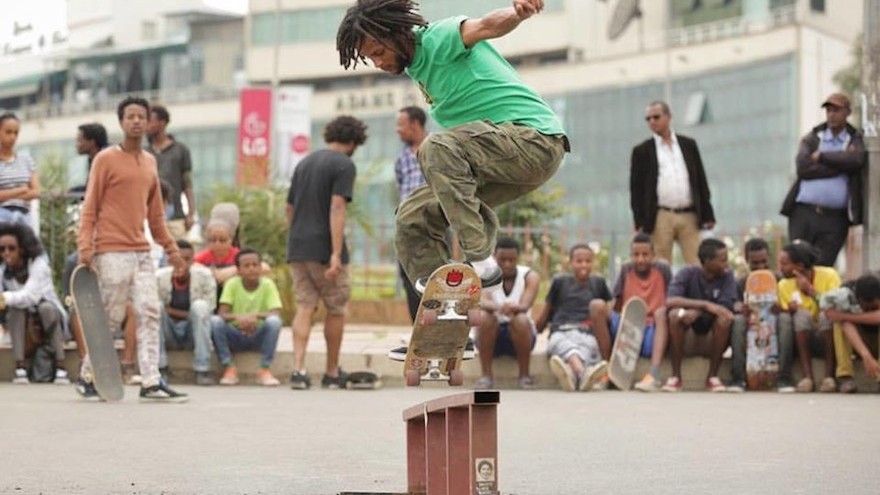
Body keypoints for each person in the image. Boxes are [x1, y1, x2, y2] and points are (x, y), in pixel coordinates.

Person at [337, 0, 569, 293]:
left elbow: (486, 25)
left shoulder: (438, 38)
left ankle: (482, 262)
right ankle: (445, 307)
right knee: (412, 216)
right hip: (501, 164)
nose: (378, 64)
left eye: (379, 53)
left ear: (398, 34)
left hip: (534, 140)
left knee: (434, 147)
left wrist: (517, 13)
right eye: (370, 59)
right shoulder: (416, 67)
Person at [76, 96, 187, 403]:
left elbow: (156, 216)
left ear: (149, 121)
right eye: (131, 117)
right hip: (110, 250)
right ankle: (88, 375)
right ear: (122, 122)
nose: (137, 121)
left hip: (141, 250)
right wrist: (85, 246)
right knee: (110, 318)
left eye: (142, 116)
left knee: (150, 311)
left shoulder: (150, 162)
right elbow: (90, 206)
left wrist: (172, 249)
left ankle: (151, 380)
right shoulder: (106, 160)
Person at [286, 116, 365, 390]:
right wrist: (335, 253)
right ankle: (332, 372)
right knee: (336, 308)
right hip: (324, 248)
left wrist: (295, 238)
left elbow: (289, 208)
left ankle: (298, 370)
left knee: (305, 305)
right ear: (354, 141)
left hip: (297, 246)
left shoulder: (304, 163)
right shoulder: (344, 164)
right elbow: (337, 207)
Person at [780, 93, 866, 267]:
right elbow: (803, 168)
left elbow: (855, 161)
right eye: (828, 110)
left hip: (835, 218)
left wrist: (822, 157)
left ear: (847, 112)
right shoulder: (813, 138)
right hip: (804, 213)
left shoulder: (854, 138)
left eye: (836, 110)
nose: (831, 115)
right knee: (796, 262)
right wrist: (840, 165)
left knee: (822, 266)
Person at [630, 101, 716, 264]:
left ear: (669, 116)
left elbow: (700, 179)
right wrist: (639, 221)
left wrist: (708, 213)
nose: (652, 122)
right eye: (648, 119)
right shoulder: (642, 151)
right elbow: (636, 189)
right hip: (661, 215)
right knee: (660, 264)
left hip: (689, 213)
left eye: (656, 117)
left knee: (697, 262)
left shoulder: (688, 145)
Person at [534, 244, 611, 392]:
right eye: (579, 261)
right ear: (571, 263)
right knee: (561, 344)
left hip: (586, 333)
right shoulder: (560, 282)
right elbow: (546, 312)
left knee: (589, 347)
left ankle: (570, 372)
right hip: (561, 331)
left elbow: (605, 314)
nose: (584, 265)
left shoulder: (598, 283)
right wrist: (536, 330)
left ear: (593, 263)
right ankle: (582, 373)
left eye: (588, 261)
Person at [663, 238, 735, 392]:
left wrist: (700, 310)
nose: (726, 264)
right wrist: (704, 305)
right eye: (722, 260)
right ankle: (675, 376)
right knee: (676, 315)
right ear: (707, 261)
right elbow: (670, 301)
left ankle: (712, 377)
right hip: (688, 332)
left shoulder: (727, 276)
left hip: (712, 332)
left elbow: (725, 307)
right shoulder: (687, 272)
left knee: (724, 319)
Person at [0, 223, 69, 384]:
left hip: (50, 320)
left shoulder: (39, 265)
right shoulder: (3, 269)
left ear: (22, 249)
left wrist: (3, 298)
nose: (6, 253)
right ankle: (20, 368)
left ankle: (61, 367)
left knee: (46, 309)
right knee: (16, 310)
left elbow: (31, 296)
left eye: (11, 248)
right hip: (23, 323)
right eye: (2, 249)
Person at [727, 238, 795, 393]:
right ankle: (738, 378)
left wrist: (783, 308)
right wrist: (740, 308)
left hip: (774, 323)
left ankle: (784, 377)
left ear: (769, 257)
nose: (760, 266)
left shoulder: (780, 279)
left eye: (764, 261)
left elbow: (790, 303)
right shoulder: (742, 282)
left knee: (785, 320)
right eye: (754, 263)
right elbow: (733, 303)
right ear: (747, 260)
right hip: (752, 323)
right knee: (737, 321)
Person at [473, 237, 540, 390]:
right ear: (495, 258)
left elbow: (525, 304)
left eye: (512, 260)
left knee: (521, 319)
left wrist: (512, 308)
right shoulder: (485, 275)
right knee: (485, 318)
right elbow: (482, 301)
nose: (507, 264)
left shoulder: (530, 276)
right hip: (490, 336)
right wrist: (500, 307)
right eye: (503, 260)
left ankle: (524, 375)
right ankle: (486, 376)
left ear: (518, 258)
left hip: (521, 336)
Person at [609, 233, 672, 393]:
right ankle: (607, 369)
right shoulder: (626, 269)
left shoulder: (662, 269)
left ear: (653, 255)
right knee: (598, 308)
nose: (640, 259)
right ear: (631, 256)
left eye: (645, 255)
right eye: (636, 255)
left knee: (661, 313)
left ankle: (654, 374)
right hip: (627, 327)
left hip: (652, 331)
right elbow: (616, 303)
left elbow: (672, 297)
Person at [210, 248, 282, 387]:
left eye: (255, 265)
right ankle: (229, 367)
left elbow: (276, 312)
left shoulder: (268, 284)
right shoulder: (232, 284)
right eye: (247, 266)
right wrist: (239, 318)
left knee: (274, 322)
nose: (252, 269)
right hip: (236, 335)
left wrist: (255, 316)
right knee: (215, 322)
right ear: (239, 270)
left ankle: (264, 369)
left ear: (261, 267)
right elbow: (222, 313)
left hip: (258, 334)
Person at [777, 241, 840, 393]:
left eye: (784, 264)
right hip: (802, 338)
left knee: (826, 315)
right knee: (801, 315)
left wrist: (811, 292)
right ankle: (807, 377)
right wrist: (790, 311)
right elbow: (786, 314)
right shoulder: (784, 285)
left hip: (828, 334)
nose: (780, 268)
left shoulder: (829, 275)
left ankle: (828, 376)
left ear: (799, 265)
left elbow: (835, 306)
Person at [157, 239, 217, 386]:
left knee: (200, 306)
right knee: (155, 307)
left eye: (187, 260)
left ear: (193, 260)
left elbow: (209, 311)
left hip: (193, 332)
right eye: (177, 260)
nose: (181, 265)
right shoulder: (159, 277)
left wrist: (171, 311)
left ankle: (202, 369)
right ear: (170, 261)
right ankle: (160, 368)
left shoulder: (205, 276)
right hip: (169, 332)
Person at [394, 105, 428, 322]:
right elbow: (401, 190)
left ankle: (444, 330)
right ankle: (418, 330)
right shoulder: (402, 158)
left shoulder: (437, 148)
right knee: (408, 278)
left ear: (415, 124)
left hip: (432, 226)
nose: (398, 130)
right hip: (407, 229)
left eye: (401, 125)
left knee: (437, 278)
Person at [146, 104, 196, 239]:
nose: (146, 125)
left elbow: (187, 183)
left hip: (176, 216)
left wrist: (191, 213)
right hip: (149, 218)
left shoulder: (180, 150)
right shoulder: (144, 152)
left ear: (162, 122)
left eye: (150, 120)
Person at [824, 273, 880, 391]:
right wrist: (865, 355)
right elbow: (840, 320)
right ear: (859, 300)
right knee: (839, 324)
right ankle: (845, 377)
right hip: (859, 341)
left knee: (842, 318)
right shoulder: (846, 293)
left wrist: (845, 316)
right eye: (867, 306)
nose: (870, 309)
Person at [0, 113, 40, 229]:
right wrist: (21, 189)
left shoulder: (26, 159)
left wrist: (7, 194)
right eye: (8, 132)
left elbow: (36, 192)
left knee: (33, 246)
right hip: (2, 215)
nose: (12, 137)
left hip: (24, 214)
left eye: (16, 133)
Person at [70, 122, 109, 193]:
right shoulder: (93, 159)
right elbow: (90, 187)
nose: (76, 145)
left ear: (92, 142)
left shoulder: (107, 160)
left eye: (79, 140)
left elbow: (95, 190)